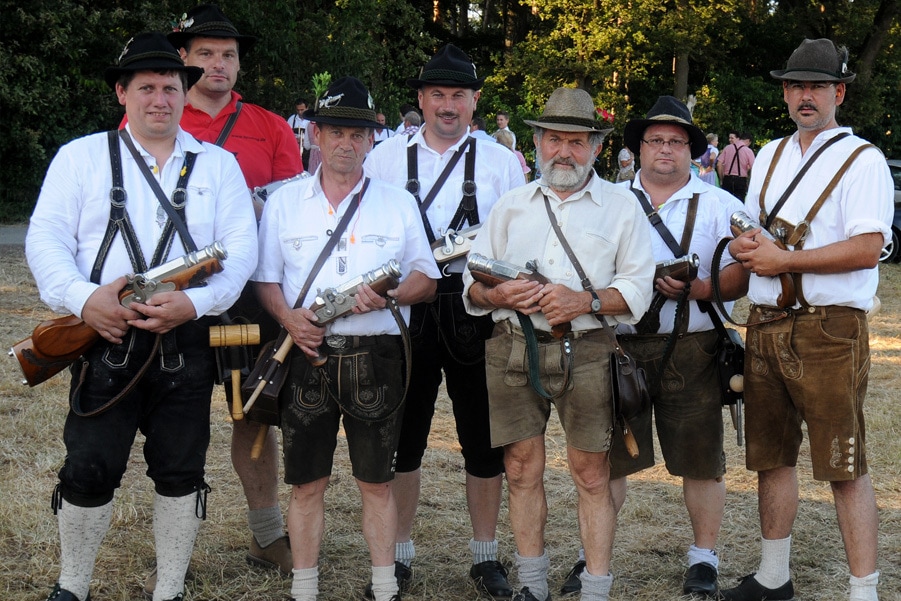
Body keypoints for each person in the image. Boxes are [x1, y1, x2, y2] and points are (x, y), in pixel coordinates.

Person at [26, 32, 258, 601]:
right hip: (105, 337)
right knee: (89, 466)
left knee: (181, 469)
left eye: (171, 88)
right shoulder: (80, 157)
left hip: (187, 341)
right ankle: (72, 586)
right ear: (121, 93)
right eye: (147, 88)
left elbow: (241, 251)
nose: (160, 99)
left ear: (185, 93)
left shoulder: (219, 165)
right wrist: (85, 300)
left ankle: (169, 589)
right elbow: (46, 240)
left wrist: (194, 303)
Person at [463, 86, 655, 601]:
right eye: (553, 139)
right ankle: (533, 586)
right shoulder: (510, 206)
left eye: (576, 141)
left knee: (591, 473)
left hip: (589, 349)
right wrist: (496, 293)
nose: (563, 152)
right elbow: (472, 285)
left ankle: (595, 588)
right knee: (520, 468)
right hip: (513, 346)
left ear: (597, 147)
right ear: (536, 143)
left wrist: (583, 301)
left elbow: (639, 289)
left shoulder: (623, 207)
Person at [253, 76, 440, 601]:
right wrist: (289, 318)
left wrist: (391, 296)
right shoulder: (285, 202)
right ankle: (304, 589)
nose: (346, 144)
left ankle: (384, 587)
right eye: (336, 131)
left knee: (377, 483)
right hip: (305, 354)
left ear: (372, 140)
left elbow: (427, 279)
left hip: (377, 356)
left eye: (358, 134)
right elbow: (265, 281)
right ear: (315, 134)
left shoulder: (397, 202)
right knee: (306, 483)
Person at [721, 38, 891, 601]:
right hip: (766, 322)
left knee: (844, 464)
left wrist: (784, 260)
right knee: (770, 458)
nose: (804, 96)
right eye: (795, 86)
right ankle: (774, 576)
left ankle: (863, 591)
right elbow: (753, 229)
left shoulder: (863, 159)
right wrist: (744, 244)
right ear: (785, 94)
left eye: (816, 86)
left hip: (829, 329)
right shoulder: (769, 154)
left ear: (839, 92)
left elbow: (868, 247)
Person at [558, 96, 748, 598]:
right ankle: (592, 558)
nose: (665, 148)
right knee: (606, 462)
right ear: (638, 149)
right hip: (616, 348)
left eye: (676, 141)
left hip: (694, 348)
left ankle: (703, 559)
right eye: (656, 140)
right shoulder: (605, 200)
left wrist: (701, 288)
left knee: (702, 460)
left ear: (692, 150)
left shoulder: (721, 204)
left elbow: (744, 273)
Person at [364, 43, 525, 599]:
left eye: (459, 94)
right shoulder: (385, 158)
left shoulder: (502, 162)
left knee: (482, 437)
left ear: (475, 101)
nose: (448, 105)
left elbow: (517, 240)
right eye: (438, 94)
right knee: (404, 437)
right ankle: (400, 555)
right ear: (421, 98)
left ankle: (485, 557)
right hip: (405, 304)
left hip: (473, 303)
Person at [163, 2, 304, 586]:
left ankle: (267, 535)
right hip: (174, 290)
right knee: (175, 418)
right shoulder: (155, 116)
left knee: (253, 413)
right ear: (183, 59)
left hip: (248, 293)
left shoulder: (270, 126)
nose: (218, 64)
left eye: (228, 54)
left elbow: (294, 208)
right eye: (205, 54)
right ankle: (174, 546)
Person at [717, 130, 754, 200]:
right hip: (740, 180)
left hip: (727, 179)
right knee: (739, 202)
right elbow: (753, 167)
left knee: (726, 201)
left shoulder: (727, 148)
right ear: (748, 141)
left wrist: (721, 179)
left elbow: (719, 164)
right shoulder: (748, 151)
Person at [287, 98, 311, 167]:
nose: (300, 112)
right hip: (295, 151)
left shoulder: (311, 120)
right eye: (298, 110)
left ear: (307, 108)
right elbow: (287, 135)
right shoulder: (292, 119)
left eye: (302, 110)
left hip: (308, 153)